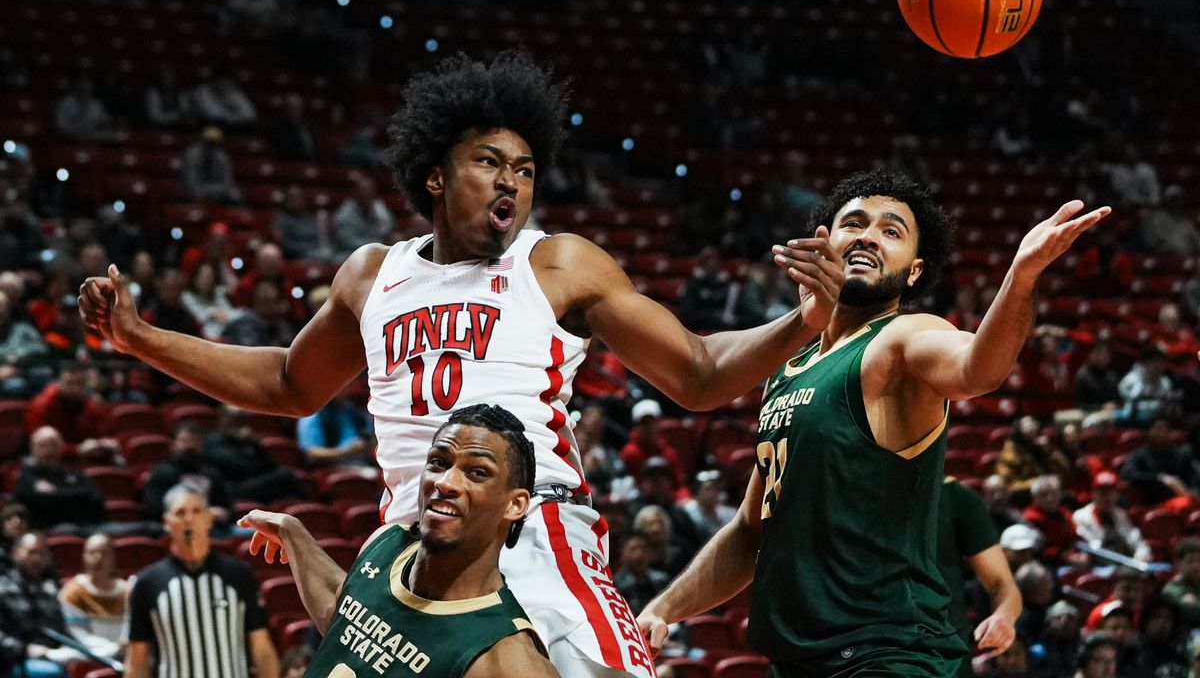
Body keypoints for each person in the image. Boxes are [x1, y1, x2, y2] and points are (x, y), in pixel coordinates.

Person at [80, 50, 846, 678]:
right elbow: (287, 384)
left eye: (525, 167)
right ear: (437, 176)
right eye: (489, 161)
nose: (512, 178)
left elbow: (700, 373)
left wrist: (801, 322)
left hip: (534, 528)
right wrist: (142, 337)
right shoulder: (371, 273)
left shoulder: (558, 266)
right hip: (417, 541)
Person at [637, 169, 1108, 676]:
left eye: (892, 230)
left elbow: (977, 369)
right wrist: (664, 609)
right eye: (854, 223)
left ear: (914, 272)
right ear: (824, 245)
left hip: (886, 652)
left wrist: (1020, 278)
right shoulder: (786, 370)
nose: (868, 235)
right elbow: (751, 529)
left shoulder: (903, 336)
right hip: (797, 659)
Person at [237, 404, 558, 678]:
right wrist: (294, 535)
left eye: (477, 472)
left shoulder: (508, 658)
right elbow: (345, 609)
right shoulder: (386, 543)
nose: (446, 482)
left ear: (515, 504)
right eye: (439, 462)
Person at [125, 483, 279, 678]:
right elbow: (137, 661)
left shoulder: (239, 575)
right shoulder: (147, 583)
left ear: (208, 518)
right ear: (166, 522)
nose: (189, 519)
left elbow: (262, 650)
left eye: (196, 511)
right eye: (180, 513)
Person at [936, 476, 1021, 676]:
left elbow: (1003, 585)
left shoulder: (955, 497)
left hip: (943, 655)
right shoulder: (853, 487)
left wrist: (1004, 615)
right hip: (867, 648)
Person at [0, 532, 80, 678]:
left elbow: (60, 629)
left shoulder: (49, 590)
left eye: (42, 553)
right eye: (31, 552)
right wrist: (25, 649)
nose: (37, 558)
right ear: (15, 553)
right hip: (13, 659)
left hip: (51, 655)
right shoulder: (2, 589)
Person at [14, 427, 106, 532]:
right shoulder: (28, 476)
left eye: (53, 444)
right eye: (43, 446)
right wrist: (76, 496)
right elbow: (37, 501)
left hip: (87, 526)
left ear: (62, 446)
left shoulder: (74, 472)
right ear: (33, 449)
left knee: (126, 529)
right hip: (49, 529)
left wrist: (55, 493)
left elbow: (95, 498)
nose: (49, 450)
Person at [59, 533, 127, 660]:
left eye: (104, 553)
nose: (98, 558)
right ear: (84, 557)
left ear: (113, 557)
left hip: (125, 653)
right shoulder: (72, 592)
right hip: (91, 654)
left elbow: (131, 628)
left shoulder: (127, 591)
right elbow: (80, 635)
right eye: (92, 553)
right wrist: (114, 648)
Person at [1072, 471, 1152, 563]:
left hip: (1124, 564)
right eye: (1101, 492)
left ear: (1116, 494)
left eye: (1109, 491)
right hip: (1097, 565)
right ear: (1093, 493)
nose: (1106, 497)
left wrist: (1142, 556)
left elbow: (1136, 540)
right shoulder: (1081, 516)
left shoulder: (1121, 515)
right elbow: (1089, 546)